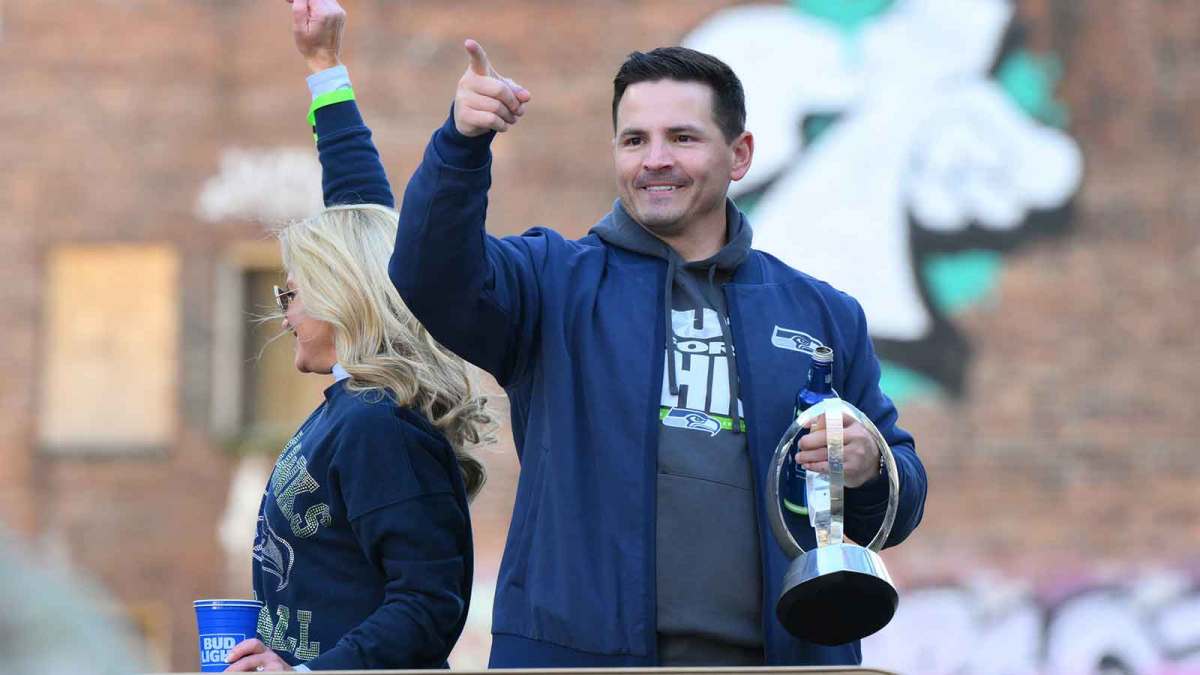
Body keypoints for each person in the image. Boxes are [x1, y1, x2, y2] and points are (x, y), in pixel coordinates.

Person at [318, 16, 929, 669]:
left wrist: (869, 465)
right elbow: (427, 275)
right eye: (634, 139)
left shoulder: (822, 314)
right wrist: (462, 145)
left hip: (783, 660)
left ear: (741, 154)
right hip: (581, 659)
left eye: (683, 137)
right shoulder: (550, 283)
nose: (655, 159)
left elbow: (898, 498)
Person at [223, 1, 491, 670]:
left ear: (342, 297)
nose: (283, 314)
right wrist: (323, 68)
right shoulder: (358, 407)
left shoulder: (379, 425)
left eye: (292, 292)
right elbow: (362, 214)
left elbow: (427, 604)